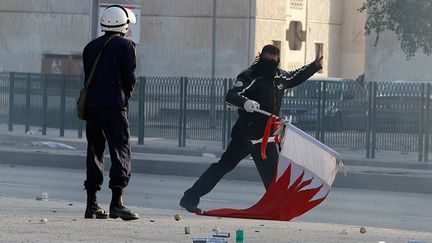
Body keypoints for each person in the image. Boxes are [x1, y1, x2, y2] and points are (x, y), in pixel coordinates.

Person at [180, 44, 323, 213]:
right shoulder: (249, 76)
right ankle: (189, 199)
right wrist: (245, 103)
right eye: (266, 58)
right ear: (260, 57)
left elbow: (296, 76)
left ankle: (276, 209)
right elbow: (231, 96)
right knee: (222, 167)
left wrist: (315, 65)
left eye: (273, 59)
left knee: (272, 175)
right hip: (245, 135)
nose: (269, 62)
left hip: (266, 138)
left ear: (278, 60)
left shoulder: (280, 77)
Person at [82, 5, 139, 220]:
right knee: (120, 151)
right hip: (115, 107)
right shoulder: (126, 46)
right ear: (123, 24)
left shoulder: (90, 47)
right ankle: (117, 203)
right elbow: (129, 79)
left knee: (94, 152)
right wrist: (125, 97)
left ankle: (91, 205)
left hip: (93, 108)